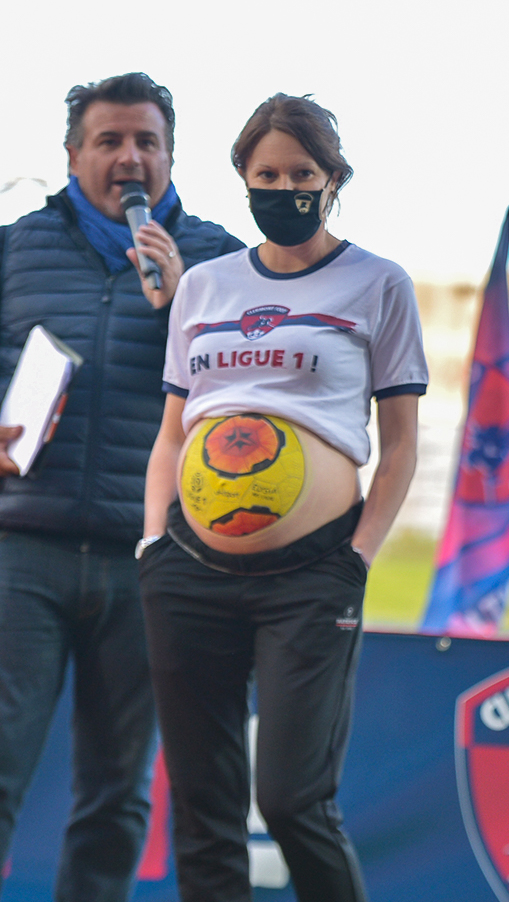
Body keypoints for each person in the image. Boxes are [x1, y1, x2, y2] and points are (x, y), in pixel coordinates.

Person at [137, 94, 425, 901]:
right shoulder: (204, 287)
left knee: (294, 800)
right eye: (268, 173)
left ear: (333, 180)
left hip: (313, 576)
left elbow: (400, 444)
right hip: (187, 573)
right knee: (201, 806)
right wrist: (152, 543)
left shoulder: (378, 283)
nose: (285, 187)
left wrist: (356, 559)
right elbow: (171, 432)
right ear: (245, 180)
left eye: (303, 172)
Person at [0, 72, 243, 900]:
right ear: (74, 156)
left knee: (115, 794)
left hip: (150, 559)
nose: (129, 157)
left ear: (171, 156)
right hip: (20, 552)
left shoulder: (218, 262)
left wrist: (185, 306)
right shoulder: (16, 247)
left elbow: (252, 400)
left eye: (146, 141)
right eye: (110, 141)